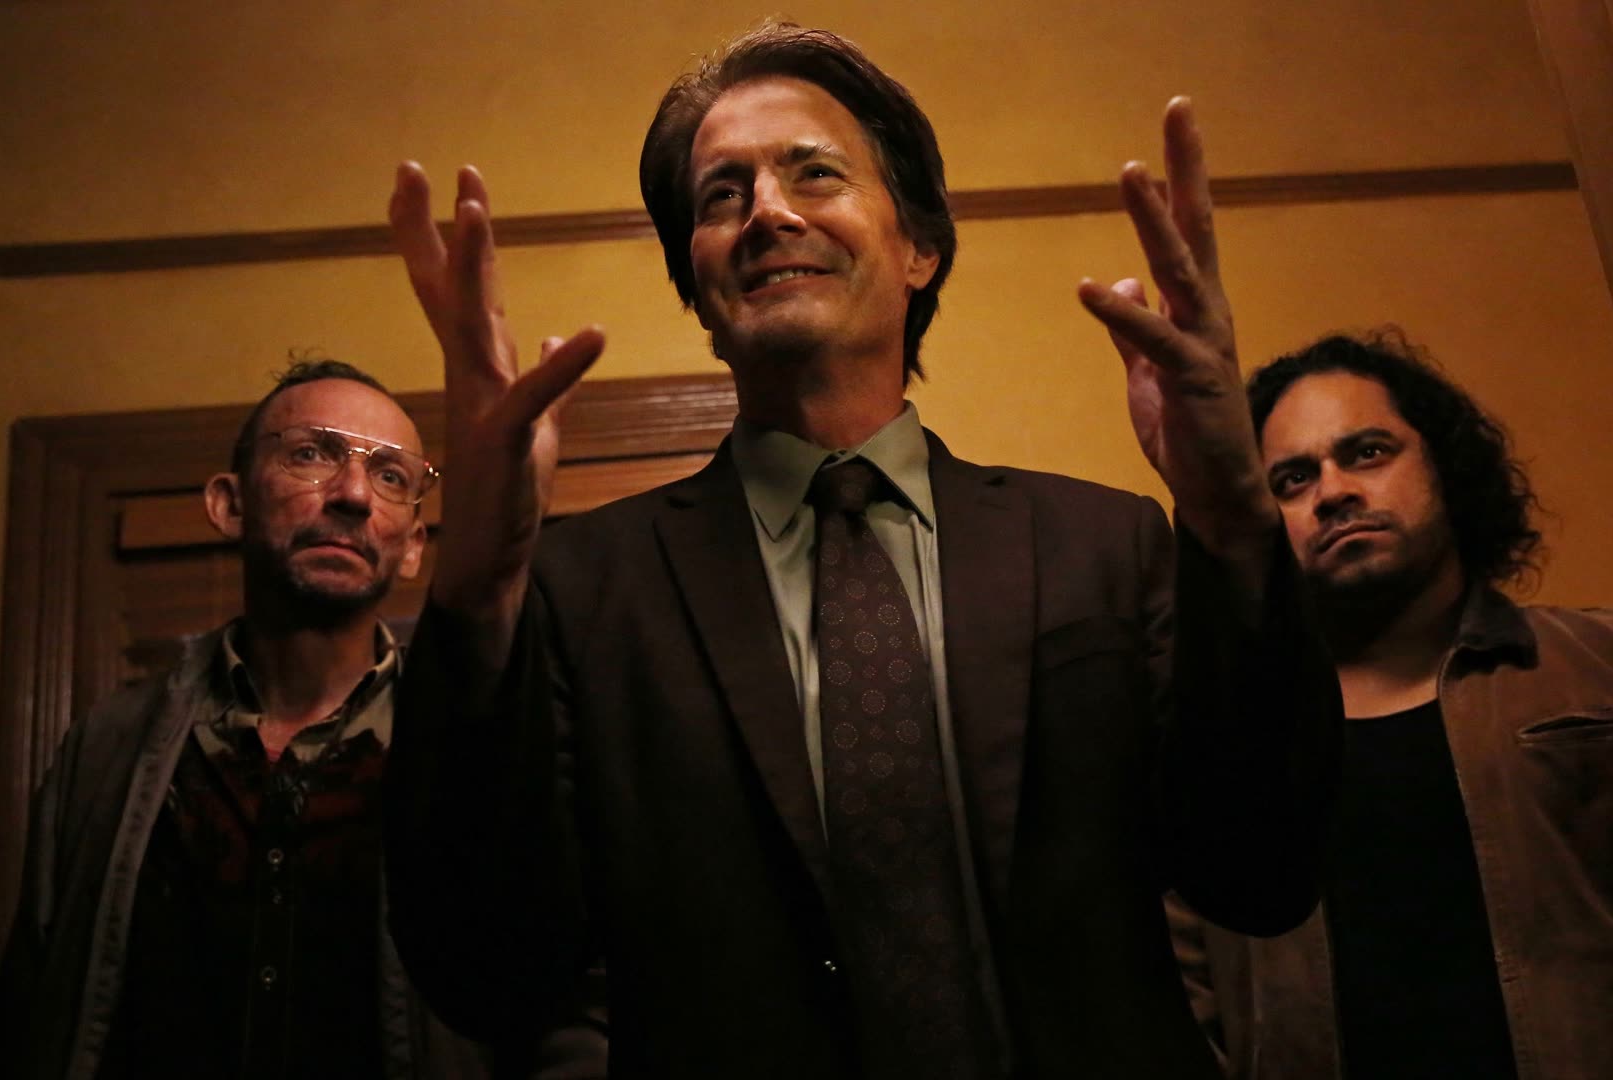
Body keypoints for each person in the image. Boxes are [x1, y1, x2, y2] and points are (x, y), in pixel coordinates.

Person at [382, 22, 1340, 1080]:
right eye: (721, 196)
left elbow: (1260, 872)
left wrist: (1233, 518)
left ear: (918, 247)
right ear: (698, 289)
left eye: (815, 173)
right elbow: (488, 970)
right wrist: (475, 590)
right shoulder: (586, 589)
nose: (767, 212)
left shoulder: (1102, 544)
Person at [1176, 330, 1613, 1078]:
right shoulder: (1227, 745)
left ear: (1444, 465)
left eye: (1368, 452)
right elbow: (1180, 1013)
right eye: (1292, 479)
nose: (1333, 491)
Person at [0, 360, 605, 1079]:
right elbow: (28, 1015)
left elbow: (567, 992)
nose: (353, 495)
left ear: (412, 547)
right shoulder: (106, 748)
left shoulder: (474, 744)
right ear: (230, 504)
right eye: (311, 453)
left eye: (390, 475)